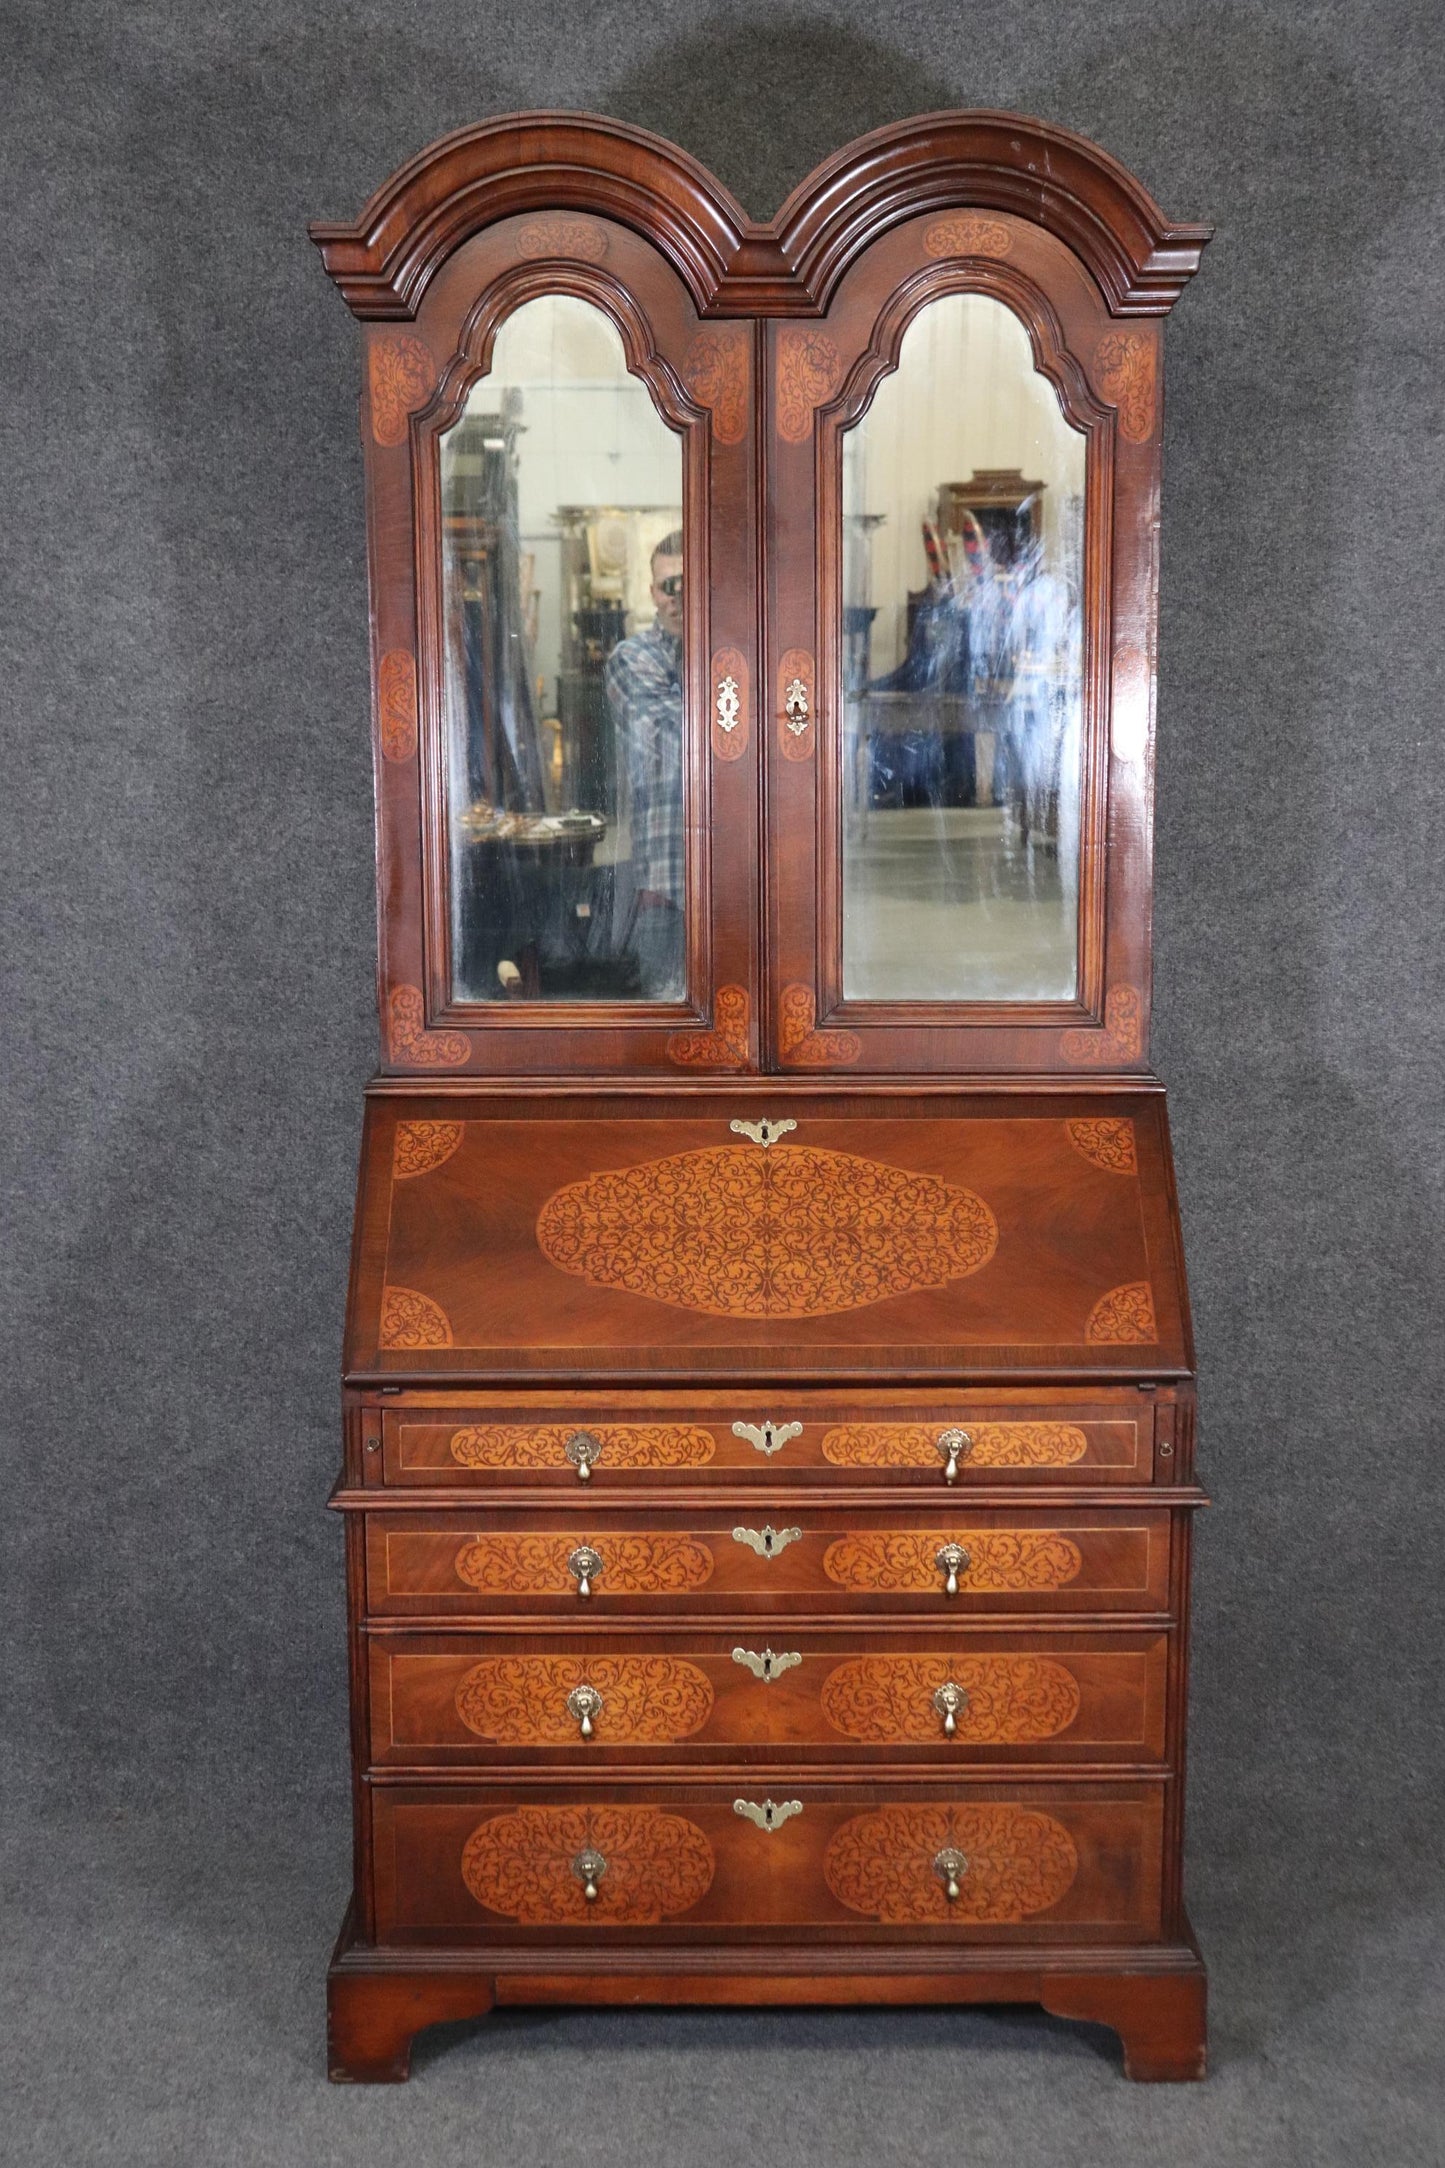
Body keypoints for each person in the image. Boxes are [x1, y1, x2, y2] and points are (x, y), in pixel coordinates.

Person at [603, 530, 686, 998]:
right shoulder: (631, 660)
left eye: (689, 582)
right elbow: (682, 742)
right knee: (668, 1042)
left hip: (742, 886)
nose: (677, 597)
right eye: (667, 585)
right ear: (652, 592)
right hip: (667, 889)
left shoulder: (734, 654)